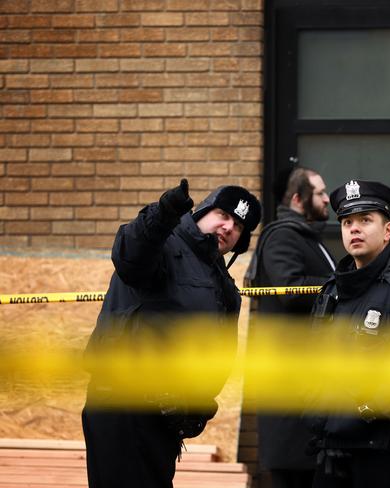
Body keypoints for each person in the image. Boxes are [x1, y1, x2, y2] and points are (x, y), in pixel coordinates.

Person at [81, 179, 261, 488]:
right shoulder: (164, 244)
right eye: (223, 214)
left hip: (165, 419)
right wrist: (162, 213)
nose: (229, 227)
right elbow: (130, 257)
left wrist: (198, 403)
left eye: (239, 227)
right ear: (202, 212)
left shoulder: (221, 282)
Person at [308, 180, 390, 488]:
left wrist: (362, 410)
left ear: (388, 230)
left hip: (381, 450)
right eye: (347, 222)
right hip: (331, 447)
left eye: (366, 220)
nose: (354, 229)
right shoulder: (333, 291)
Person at [246, 167, 336, 488]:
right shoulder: (283, 235)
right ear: (299, 199)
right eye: (321, 193)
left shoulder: (307, 235)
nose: (328, 199)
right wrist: (342, 285)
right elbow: (291, 289)